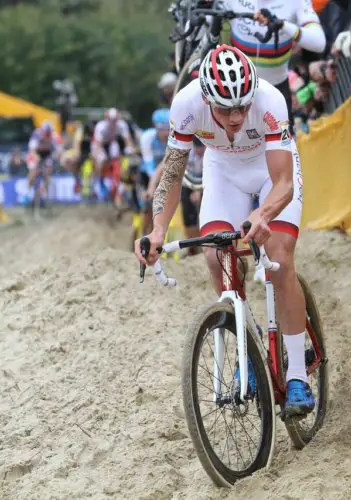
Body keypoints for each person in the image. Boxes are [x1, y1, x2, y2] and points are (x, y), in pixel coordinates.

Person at [134, 45, 314, 415]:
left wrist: (263, 213)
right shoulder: (185, 105)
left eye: (242, 107)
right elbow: (172, 173)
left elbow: (283, 182)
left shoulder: (270, 100)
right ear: (205, 98)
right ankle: (247, 341)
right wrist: (156, 231)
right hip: (223, 171)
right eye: (224, 109)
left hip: (270, 173)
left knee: (279, 257)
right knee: (216, 256)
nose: (235, 118)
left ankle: (297, 375)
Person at [228, 0, 326, 136]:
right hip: (235, 88)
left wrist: (284, 25)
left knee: (283, 150)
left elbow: (319, 42)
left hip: (276, 90)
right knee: (234, 149)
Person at [92, 108, 136, 201]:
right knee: (101, 159)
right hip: (100, 144)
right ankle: (99, 180)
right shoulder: (101, 126)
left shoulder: (122, 125)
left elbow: (128, 140)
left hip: (113, 142)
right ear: (107, 119)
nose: (113, 123)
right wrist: (100, 155)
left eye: (114, 121)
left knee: (121, 156)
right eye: (111, 121)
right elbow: (97, 145)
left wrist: (130, 149)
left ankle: (119, 179)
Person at [139, 109, 170, 234]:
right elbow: (148, 162)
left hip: (166, 173)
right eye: (162, 129)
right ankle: (143, 231)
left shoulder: (173, 138)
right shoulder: (147, 137)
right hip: (148, 173)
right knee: (148, 202)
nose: (166, 133)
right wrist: (153, 184)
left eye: (168, 129)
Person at [27, 120, 63, 202]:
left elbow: (59, 151)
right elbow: (32, 150)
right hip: (36, 153)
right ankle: (28, 192)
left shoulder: (55, 136)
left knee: (47, 172)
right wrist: (37, 159)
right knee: (33, 172)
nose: (47, 135)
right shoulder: (36, 134)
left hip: (47, 155)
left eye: (48, 133)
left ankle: (41, 194)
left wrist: (54, 158)